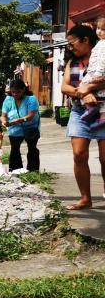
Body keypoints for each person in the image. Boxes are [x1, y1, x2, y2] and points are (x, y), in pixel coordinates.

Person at [61, 24, 105, 210]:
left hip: (103, 110)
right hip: (79, 112)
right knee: (79, 155)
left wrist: (90, 87)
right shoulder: (72, 63)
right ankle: (85, 198)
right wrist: (82, 93)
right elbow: (64, 87)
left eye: (72, 44)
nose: (71, 48)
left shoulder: (102, 56)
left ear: (86, 40)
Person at [0, 78, 40, 172]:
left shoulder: (31, 99)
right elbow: (3, 115)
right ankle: (16, 170)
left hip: (31, 127)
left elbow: (30, 116)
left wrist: (18, 120)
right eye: (13, 92)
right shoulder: (8, 100)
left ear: (23, 89)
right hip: (14, 129)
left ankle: (33, 170)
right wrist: (4, 121)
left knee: (32, 148)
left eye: (17, 92)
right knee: (14, 149)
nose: (15, 94)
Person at [77, 17, 105, 129]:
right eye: (98, 28)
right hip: (94, 72)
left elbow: (102, 61)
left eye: (103, 29)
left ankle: (96, 112)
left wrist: (99, 74)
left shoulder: (103, 44)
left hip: (98, 73)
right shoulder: (100, 43)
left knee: (83, 86)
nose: (99, 31)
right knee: (100, 93)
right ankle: (96, 113)